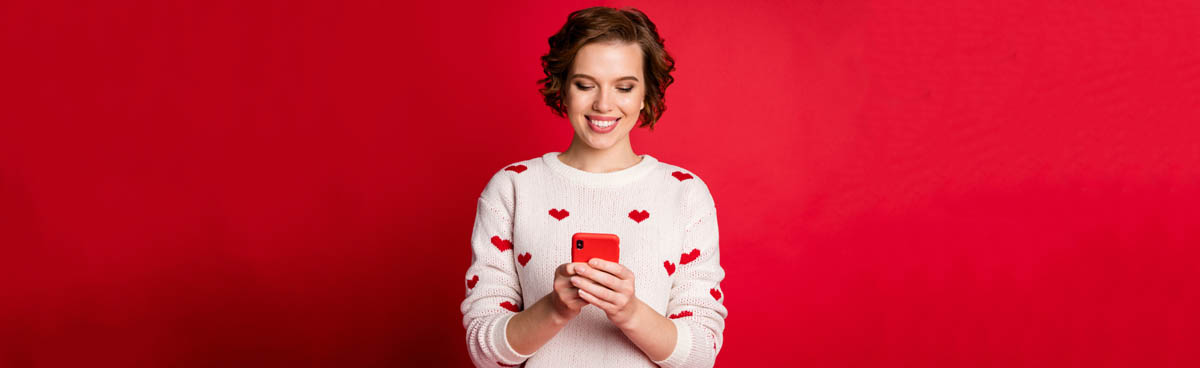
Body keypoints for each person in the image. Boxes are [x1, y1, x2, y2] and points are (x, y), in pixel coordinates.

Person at [460, 6, 727, 368]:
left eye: (624, 87)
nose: (603, 104)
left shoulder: (684, 193)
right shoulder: (512, 188)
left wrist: (628, 311)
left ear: (647, 92)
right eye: (585, 85)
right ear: (563, 88)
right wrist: (555, 308)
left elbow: (701, 354)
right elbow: (484, 351)